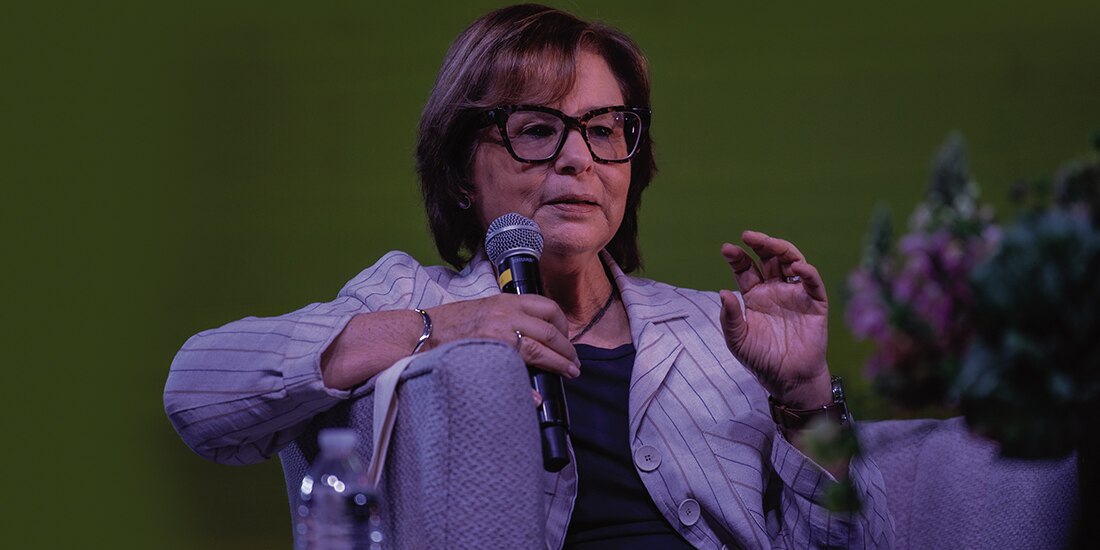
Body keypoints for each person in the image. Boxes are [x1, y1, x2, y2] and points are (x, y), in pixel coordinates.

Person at [165, 4, 893, 548]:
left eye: (603, 130)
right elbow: (198, 394)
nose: (578, 159)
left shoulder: (720, 328)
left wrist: (806, 399)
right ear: (461, 172)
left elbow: (857, 541)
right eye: (538, 130)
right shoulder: (414, 299)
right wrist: (442, 329)